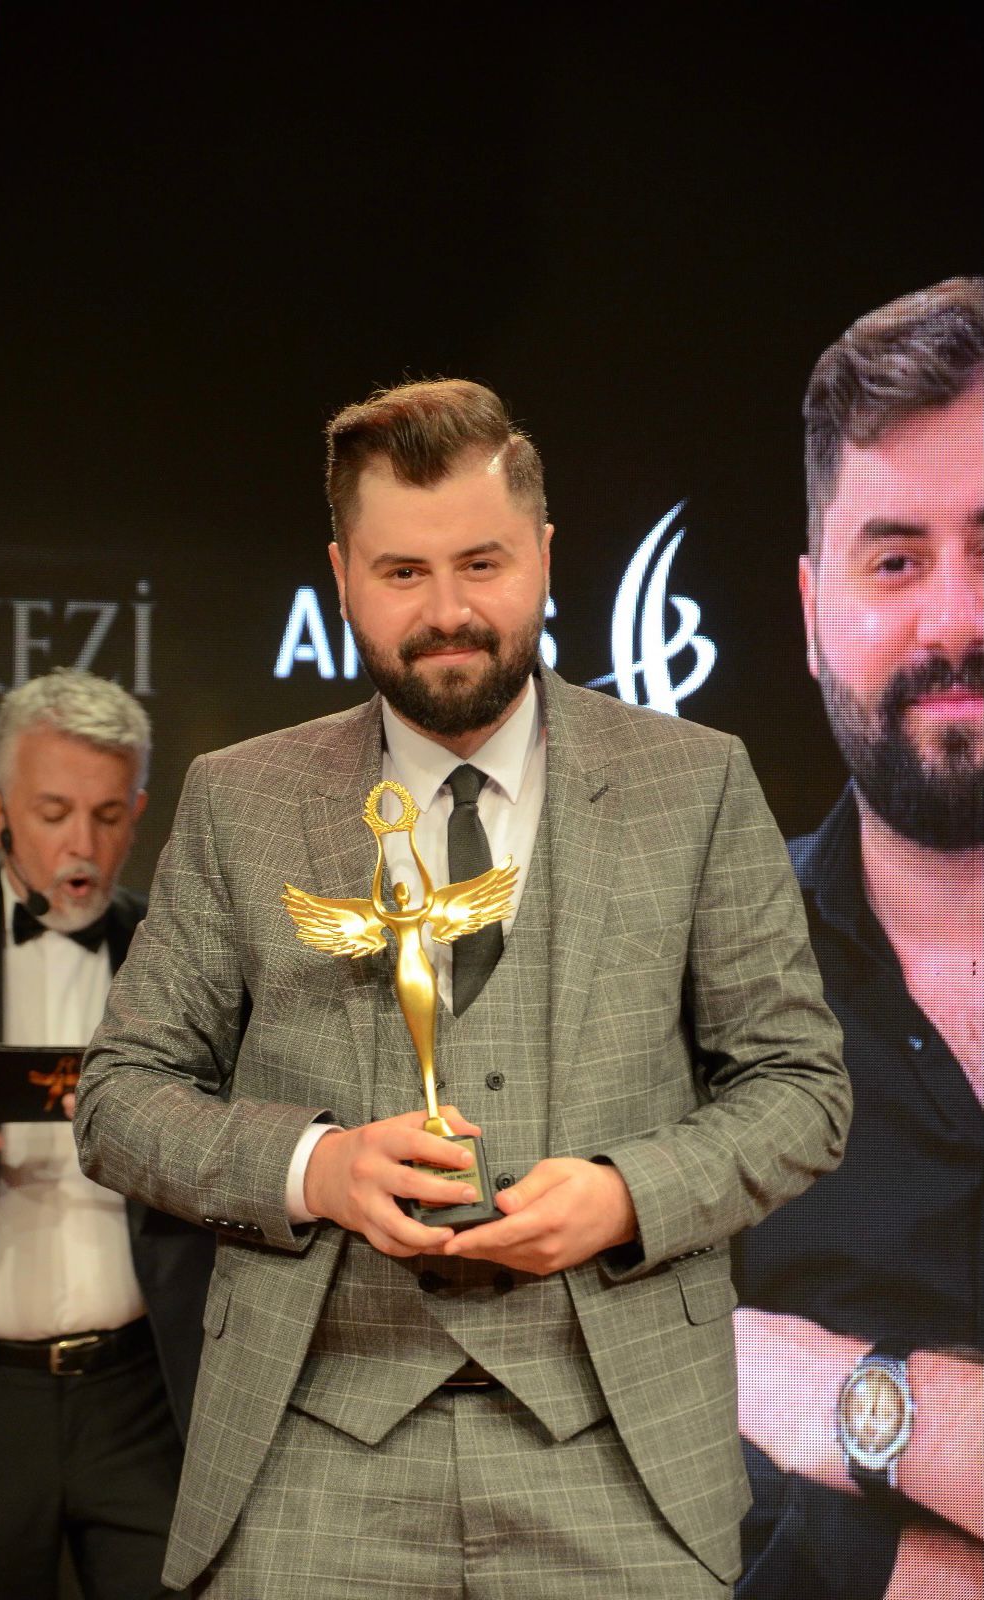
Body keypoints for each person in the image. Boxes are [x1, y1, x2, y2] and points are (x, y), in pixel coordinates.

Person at [75, 378, 851, 1599]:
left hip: (622, 1458)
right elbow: (119, 1098)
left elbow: (801, 1088)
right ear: (343, 577)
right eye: (403, 572)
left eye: (482, 563)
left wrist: (625, 1195)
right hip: (309, 1459)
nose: (448, 612)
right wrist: (316, 1167)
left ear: (543, 553)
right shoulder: (240, 799)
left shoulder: (695, 783)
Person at [734, 279, 984, 1600]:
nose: (953, 620)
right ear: (810, 610)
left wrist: (846, 1399)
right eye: (894, 559)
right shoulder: (691, 982)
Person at [0, 669, 214, 1600]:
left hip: (147, 1393)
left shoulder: (189, 954)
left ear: (139, 815)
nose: (81, 846)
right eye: (52, 813)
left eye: (107, 814)